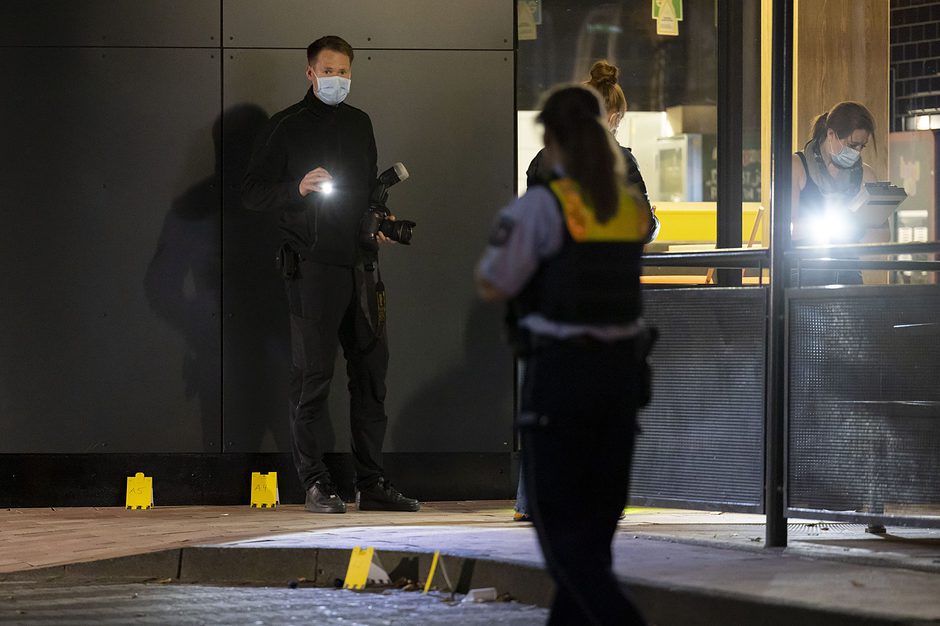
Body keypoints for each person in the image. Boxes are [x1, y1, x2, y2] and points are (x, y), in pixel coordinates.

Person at [477, 84, 653, 625]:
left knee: (562, 541)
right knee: (595, 535)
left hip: (560, 382)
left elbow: (494, 280)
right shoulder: (627, 207)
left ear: (551, 139)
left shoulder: (544, 206)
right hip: (621, 384)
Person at [242, 35, 419, 514]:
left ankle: (372, 481)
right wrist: (296, 186)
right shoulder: (285, 127)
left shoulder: (360, 123)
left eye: (344, 71)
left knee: (370, 377)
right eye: (329, 71)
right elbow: (251, 192)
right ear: (310, 73)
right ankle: (316, 482)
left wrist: (378, 221)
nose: (337, 79)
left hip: (362, 265)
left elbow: (370, 191)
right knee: (313, 377)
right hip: (312, 268)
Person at [512, 60, 658, 523]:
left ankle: (531, 499)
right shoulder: (619, 161)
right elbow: (644, 224)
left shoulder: (543, 161)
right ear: (612, 117)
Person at [791, 101, 879, 286]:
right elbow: (788, 229)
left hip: (849, 275)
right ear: (831, 134)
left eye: (861, 147)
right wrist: (840, 222)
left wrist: (855, 225)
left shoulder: (866, 175)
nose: (856, 152)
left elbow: (882, 235)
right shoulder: (796, 166)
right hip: (804, 276)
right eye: (852, 145)